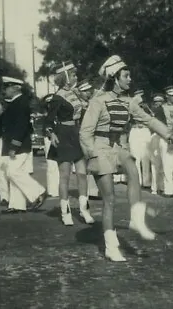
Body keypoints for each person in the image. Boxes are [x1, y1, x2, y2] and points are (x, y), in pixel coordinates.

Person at [79, 55, 173, 262]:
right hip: (100, 146)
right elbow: (85, 132)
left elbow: (149, 119)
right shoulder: (98, 102)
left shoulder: (129, 102)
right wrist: (92, 155)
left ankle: (136, 218)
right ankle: (111, 246)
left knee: (132, 166)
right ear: (114, 77)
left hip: (118, 145)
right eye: (126, 76)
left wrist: (170, 135)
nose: (130, 79)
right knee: (109, 199)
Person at [44, 61, 94, 226]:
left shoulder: (76, 94)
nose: (76, 77)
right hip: (63, 135)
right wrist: (51, 134)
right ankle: (65, 212)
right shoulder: (57, 97)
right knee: (64, 176)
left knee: (82, 174)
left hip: (77, 134)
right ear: (65, 77)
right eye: (73, 74)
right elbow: (48, 121)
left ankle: (84, 210)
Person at [0, 76, 47, 214]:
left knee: (13, 172)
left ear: (16, 88)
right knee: (15, 173)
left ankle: (38, 192)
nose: (5, 90)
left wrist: (14, 146)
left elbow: (21, 126)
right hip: (16, 144)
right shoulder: (16, 102)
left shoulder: (21, 103)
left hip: (19, 144)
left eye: (7, 87)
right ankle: (17, 205)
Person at [77, 79, 101, 199]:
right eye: (84, 91)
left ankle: (92, 190)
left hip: (92, 137)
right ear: (79, 92)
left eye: (88, 91)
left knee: (92, 163)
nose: (87, 93)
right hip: (81, 137)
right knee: (83, 165)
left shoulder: (92, 104)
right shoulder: (77, 105)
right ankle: (85, 191)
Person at [128, 89, 152, 188]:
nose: (139, 98)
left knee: (146, 157)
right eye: (137, 96)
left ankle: (146, 181)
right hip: (135, 130)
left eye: (141, 96)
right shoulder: (130, 107)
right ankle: (137, 181)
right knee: (135, 156)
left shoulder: (147, 108)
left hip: (145, 131)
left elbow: (152, 118)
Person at [41, 94, 60, 197]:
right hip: (49, 140)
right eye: (48, 103)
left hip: (60, 139)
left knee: (60, 166)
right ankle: (52, 190)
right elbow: (46, 130)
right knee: (51, 165)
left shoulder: (58, 114)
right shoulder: (47, 116)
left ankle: (58, 188)